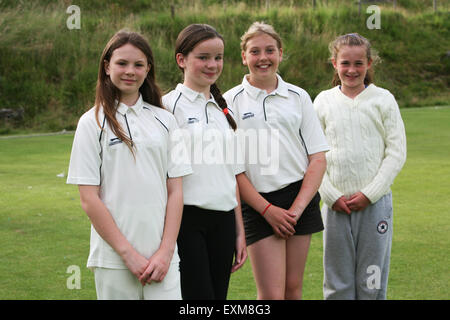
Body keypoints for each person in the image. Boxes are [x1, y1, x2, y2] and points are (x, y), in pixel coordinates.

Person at [66, 30, 192, 300]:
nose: (130, 71)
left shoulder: (166, 121)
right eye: (122, 63)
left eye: (138, 64)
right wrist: (128, 255)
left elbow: (176, 191)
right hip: (114, 261)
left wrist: (166, 251)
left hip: (163, 261)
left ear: (148, 69)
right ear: (107, 66)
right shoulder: (92, 123)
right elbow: (89, 199)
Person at [224, 22, 329, 300]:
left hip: (299, 201)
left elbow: (317, 158)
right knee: (271, 294)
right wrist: (267, 210)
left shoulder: (298, 96)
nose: (263, 58)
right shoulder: (228, 102)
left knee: (293, 288)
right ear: (244, 56)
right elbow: (233, 169)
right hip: (257, 203)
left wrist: (295, 209)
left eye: (270, 50)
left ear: (280, 53)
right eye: (255, 51)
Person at [313, 33, 407, 300]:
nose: (351, 70)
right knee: (337, 280)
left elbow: (396, 153)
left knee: (371, 280)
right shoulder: (322, 101)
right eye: (345, 63)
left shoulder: (383, 99)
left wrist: (371, 193)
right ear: (334, 63)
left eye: (358, 63)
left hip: (375, 205)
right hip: (335, 206)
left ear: (368, 64)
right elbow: (312, 156)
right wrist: (330, 195)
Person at [162, 24, 247, 300]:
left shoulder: (226, 109)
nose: (212, 64)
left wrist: (239, 230)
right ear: (181, 59)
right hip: (186, 221)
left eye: (218, 57)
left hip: (223, 221)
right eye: (203, 57)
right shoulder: (166, 107)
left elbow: (231, 175)